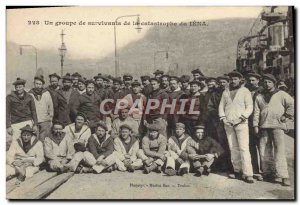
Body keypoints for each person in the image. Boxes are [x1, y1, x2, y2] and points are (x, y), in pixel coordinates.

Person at [253, 74, 294, 186]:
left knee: (279, 151)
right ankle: (269, 173)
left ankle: (283, 176)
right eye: (265, 82)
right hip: (264, 126)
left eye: (269, 82)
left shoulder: (281, 94)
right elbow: (256, 113)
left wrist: (286, 115)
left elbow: (292, 104)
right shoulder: (259, 96)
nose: (267, 84)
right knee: (264, 150)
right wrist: (255, 126)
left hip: (277, 125)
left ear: (274, 83)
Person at [219, 71, 254, 183]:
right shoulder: (226, 92)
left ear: (240, 80)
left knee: (244, 148)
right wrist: (224, 118)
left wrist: (241, 118)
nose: (233, 81)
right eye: (231, 79)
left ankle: (248, 173)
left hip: (241, 123)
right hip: (229, 124)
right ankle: (237, 170)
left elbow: (249, 107)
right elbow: (221, 107)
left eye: (235, 79)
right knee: (233, 147)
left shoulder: (245, 91)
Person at [6, 77, 38, 148]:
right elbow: (6, 112)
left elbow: (34, 111)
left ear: (24, 87)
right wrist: (8, 126)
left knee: (29, 141)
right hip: (16, 123)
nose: (18, 89)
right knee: (16, 142)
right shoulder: (9, 97)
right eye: (17, 87)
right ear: (15, 88)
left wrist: (35, 124)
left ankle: (29, 157)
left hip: (28, 122)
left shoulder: (29, 97)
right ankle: (16, 157)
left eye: (20, 87)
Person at [246, 72, 264, 181]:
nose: (251, 82)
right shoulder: (246, 90)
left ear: (258, 80)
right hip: (249, 122)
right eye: (250, 80)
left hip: (260, 122)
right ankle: (255, 170)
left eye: (253, 80)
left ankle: (265, 170)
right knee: (251, 146)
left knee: (262, 147)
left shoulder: (262, 91)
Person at [28, 75, 54, 142]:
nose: (38, 86)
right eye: (36, 84)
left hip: (45, 121)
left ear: (42, 85)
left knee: (44, 139)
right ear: (34, 84)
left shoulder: (46, 93)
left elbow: (50, 107)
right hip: (34, 122)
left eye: (40, 84)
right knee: (34, 139)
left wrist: (50, 119)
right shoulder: (30, 94)